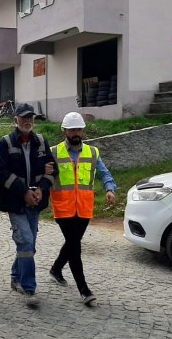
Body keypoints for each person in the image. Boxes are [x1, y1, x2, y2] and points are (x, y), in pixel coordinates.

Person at [48, 112, 116, 306]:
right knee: (75, 246)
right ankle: (84, 290)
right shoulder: (54, 152)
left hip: (84, 207)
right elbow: (45, 177)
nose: (76, 133)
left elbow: (104, 173)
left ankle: (55, 269)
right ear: (65, 131)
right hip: (63, 207)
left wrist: (110, 189)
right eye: (72, 129)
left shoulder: (92, 152)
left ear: (83, 131)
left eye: (78, 129)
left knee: (72, 242)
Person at [0, 103, 55, 307]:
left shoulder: (41, 141)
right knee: (27, 242)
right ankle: (29, 289)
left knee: (28, 245)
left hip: (35, 202)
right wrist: (24, 192)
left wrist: (41, 189)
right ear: (15, 121)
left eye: (31, 118)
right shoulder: (5, 143)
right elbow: (0, 172)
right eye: (23, 118)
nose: (28, 121)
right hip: (15, 203)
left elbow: (52, 171)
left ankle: (15, 276)